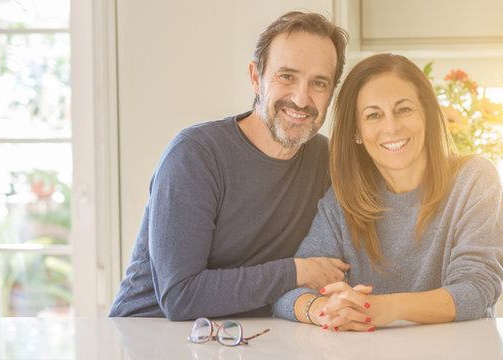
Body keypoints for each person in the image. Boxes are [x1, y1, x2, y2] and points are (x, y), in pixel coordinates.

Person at [109, 11, 351, 321]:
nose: (301, 99)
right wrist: (297, 271)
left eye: (319, 83)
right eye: (287, 76)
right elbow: (181, 296)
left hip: (247, 336)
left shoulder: (325, 159)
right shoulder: (196, 155)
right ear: (255, 77)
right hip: (148, 335)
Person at [272, 53, 503, 331]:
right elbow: (289, 291)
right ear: (357, 132)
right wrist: (325, 309)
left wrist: (384, 308)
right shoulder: (343, 202)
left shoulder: (473, 179)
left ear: (426, 114)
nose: (391, 127)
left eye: (404, 109)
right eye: (373, 115)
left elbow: (477, 290)